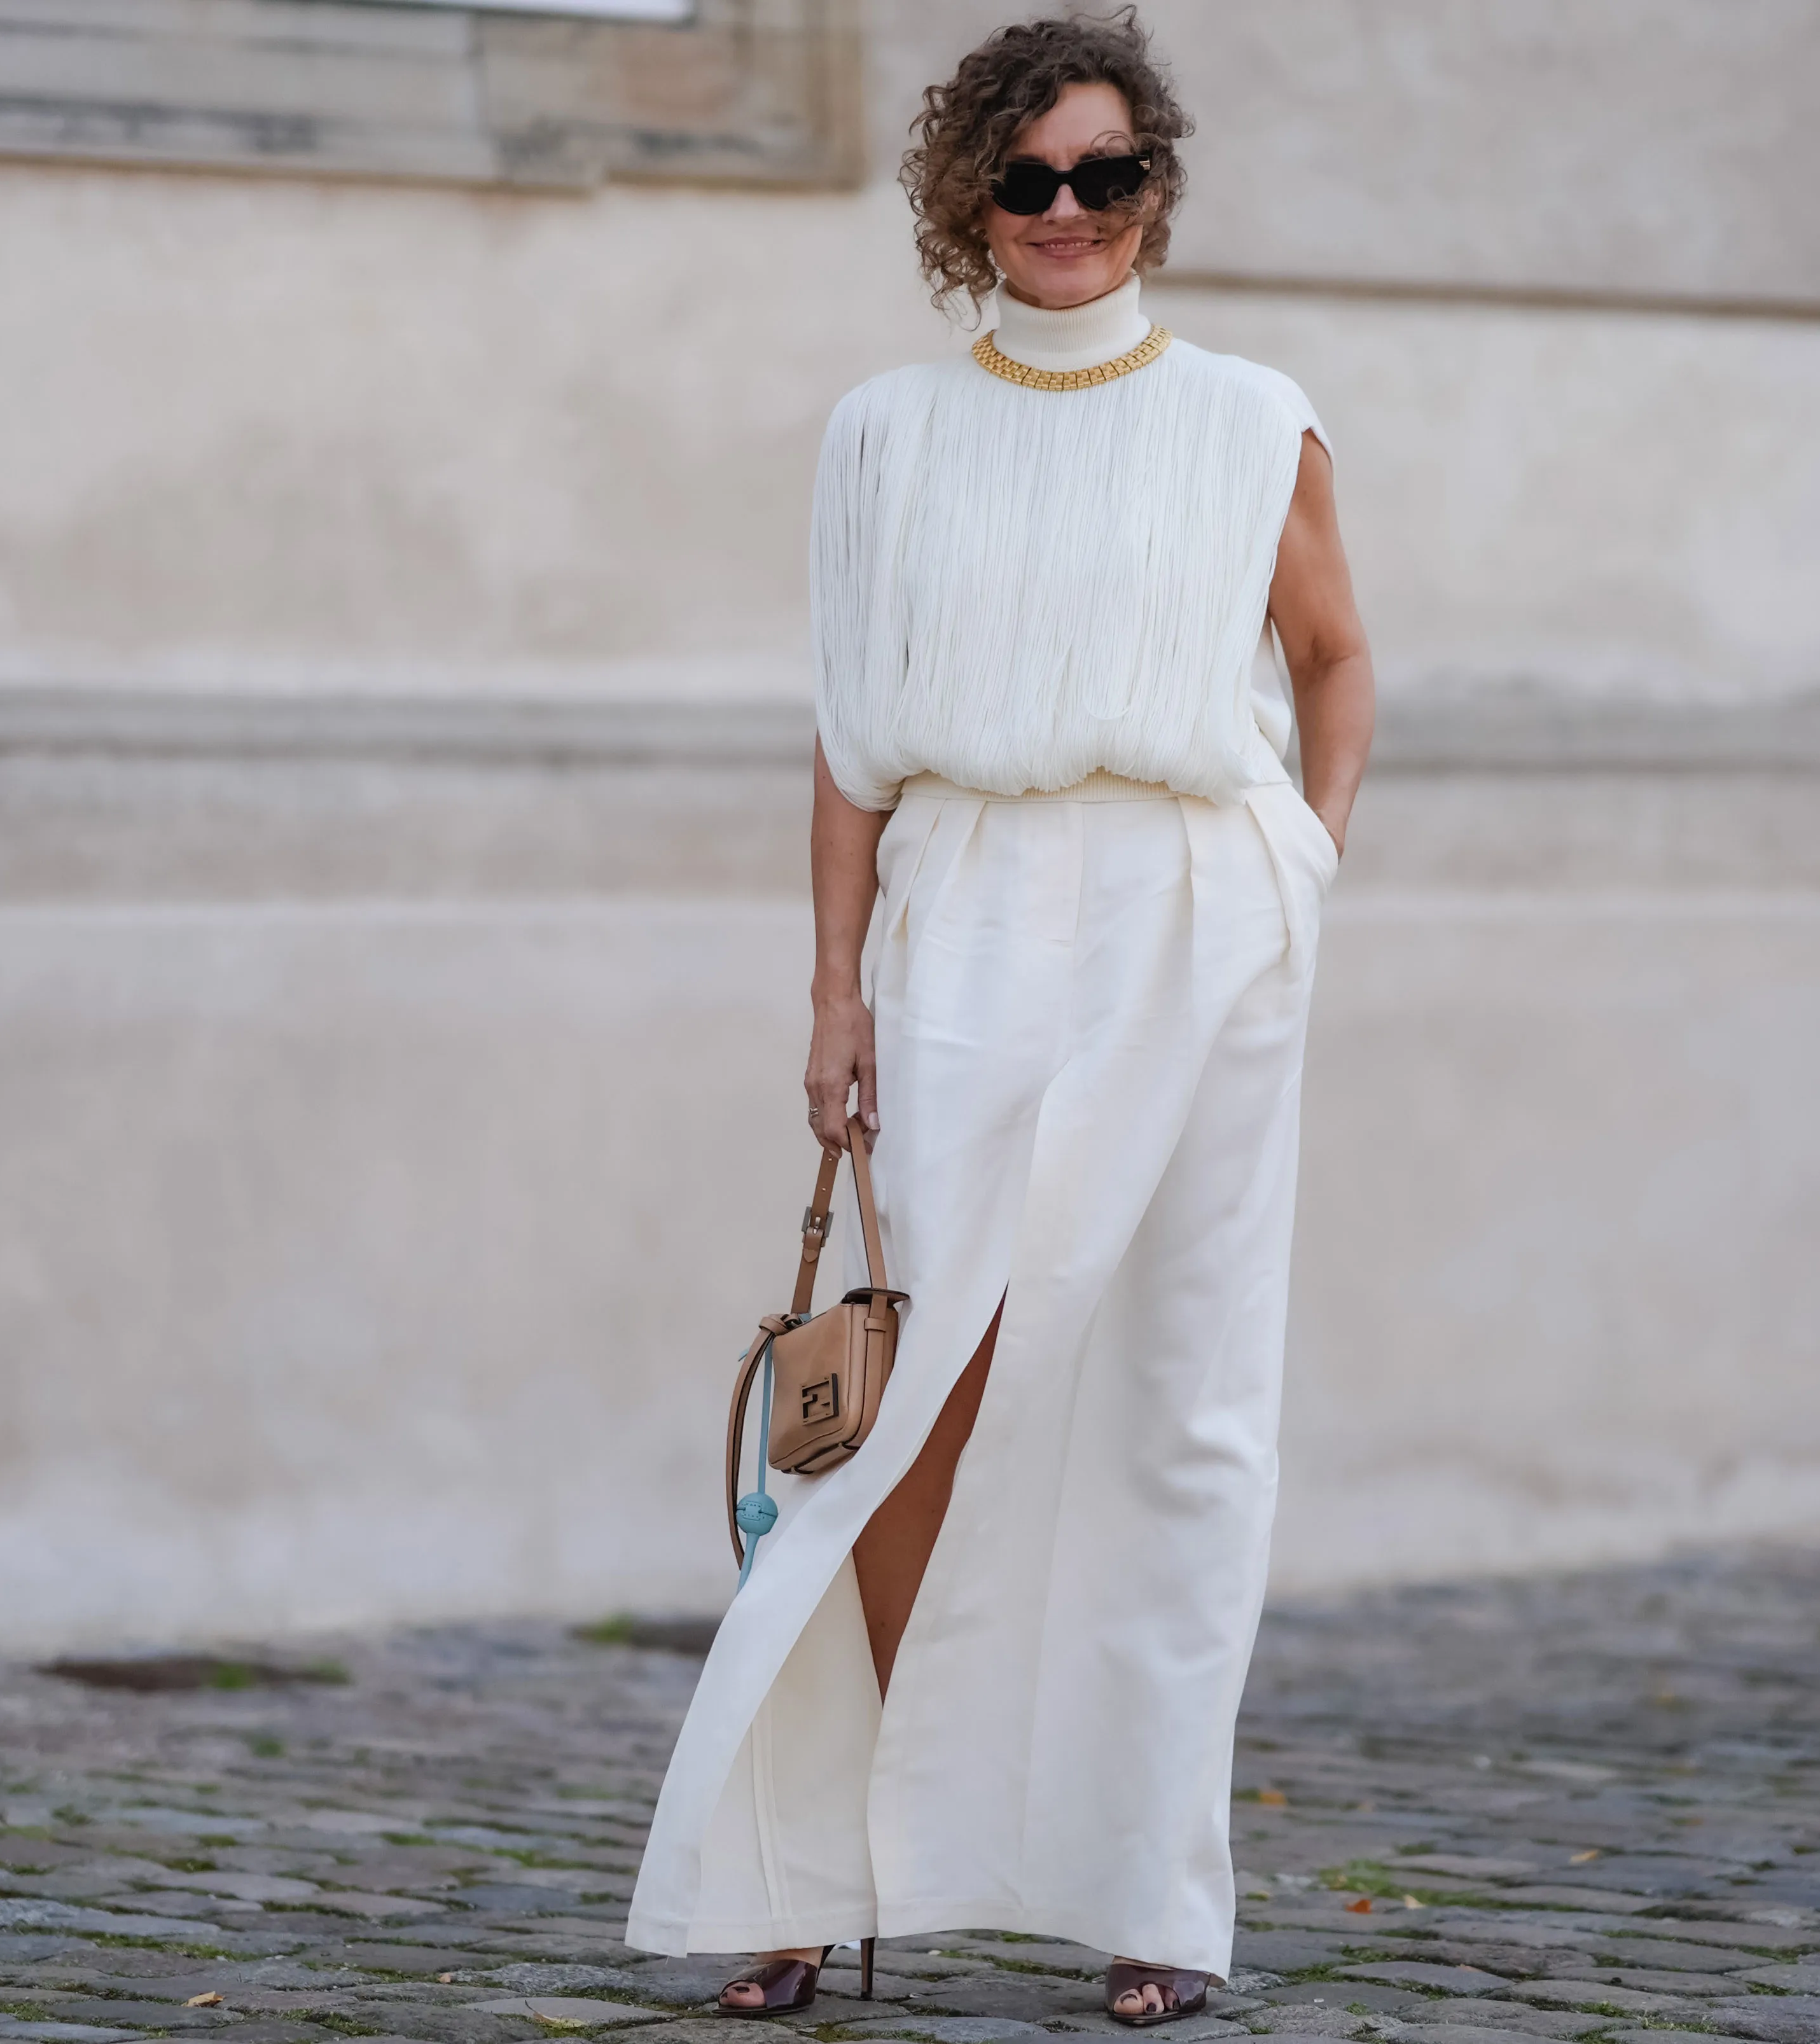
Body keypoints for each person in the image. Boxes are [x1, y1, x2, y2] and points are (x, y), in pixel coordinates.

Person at [622, 10, 1374, 2029]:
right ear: (970, 196)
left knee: (1175, 1407)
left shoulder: (1247, 418)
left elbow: (1335, 660)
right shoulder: (885, 429)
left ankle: (1156, 1897)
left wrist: (1297, 866)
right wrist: (829, 988)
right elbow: (851, 748)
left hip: (1194, 920)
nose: (1065, 211)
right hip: (958, 914)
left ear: (1154, 190)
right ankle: (800, 1872)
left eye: (1104, 174)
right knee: (905, 1390)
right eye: (1026, 177)